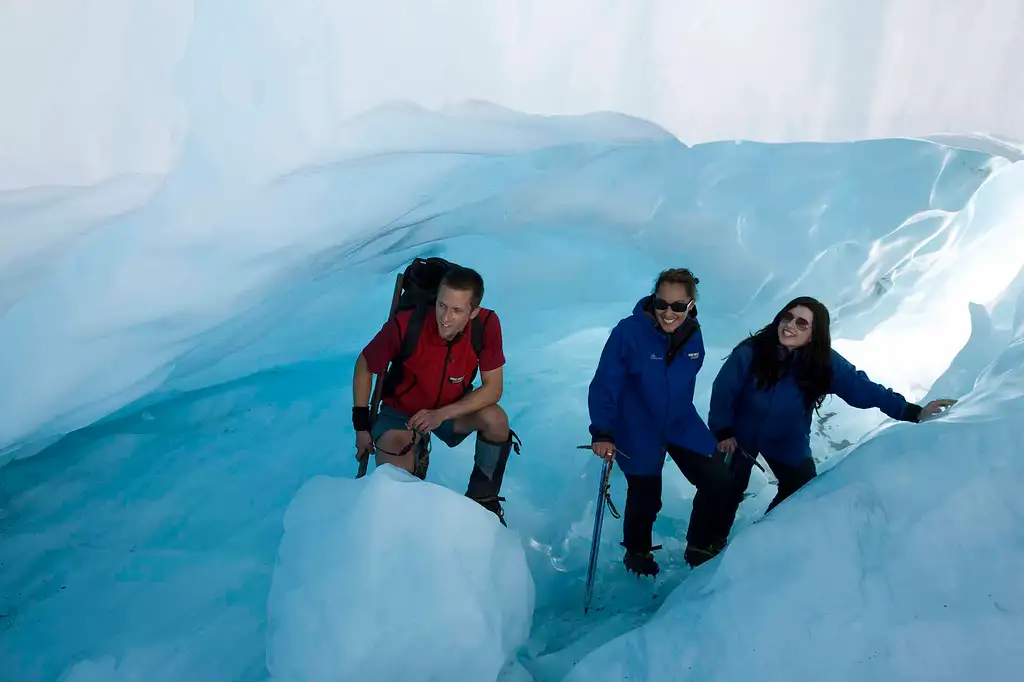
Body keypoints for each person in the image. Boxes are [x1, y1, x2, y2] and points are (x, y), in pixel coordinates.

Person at [708, 295, 957, 532]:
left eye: (801, 323)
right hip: (739, 432)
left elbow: (864, 389)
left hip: (787, 438)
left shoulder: (824, 363)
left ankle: (763, 537)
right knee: (722, 488)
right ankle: (704, 548)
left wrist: (912, 412)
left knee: (801, 490)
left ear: (813, 333)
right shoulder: (752, 352)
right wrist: (723, 431)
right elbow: (723, 391)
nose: (790, 325)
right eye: (787, 317)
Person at [587, 268, 735, 576]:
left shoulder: (694, 335)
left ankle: (699, 545)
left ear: (690, 306)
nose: (669, 312)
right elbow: (606, 383)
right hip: (637, 425)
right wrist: (603, 431)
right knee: (645, 494)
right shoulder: (628, 332)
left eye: (678, 306)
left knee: (717, 478)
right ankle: (638, 555)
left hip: (680, 422)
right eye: (662, 303)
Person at [351, 264, 521, 526]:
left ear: (473, 312)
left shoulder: (486, 325)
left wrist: (441, 414)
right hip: (401, 412)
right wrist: (361, 427)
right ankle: (410, 509)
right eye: (442, 306)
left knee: (496, 420)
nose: (445, 317)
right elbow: (365, 364)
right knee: (397, 480)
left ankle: (483, 501)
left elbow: (493, 389)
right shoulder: (407, 324)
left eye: (457, 310)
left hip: (450, 408)